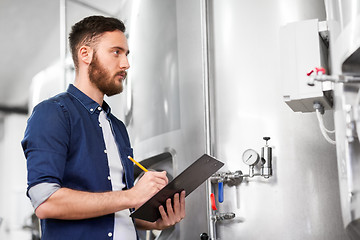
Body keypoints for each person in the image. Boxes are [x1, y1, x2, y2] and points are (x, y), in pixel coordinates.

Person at [21, 15, 185, 240]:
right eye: (116, 52)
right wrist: (132, 196)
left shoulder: (117, 127)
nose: (126, 63)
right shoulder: (53, 113)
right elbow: (46, 201)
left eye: (127, 54)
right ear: (85, 54)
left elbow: (118, 211)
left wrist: (154, 220)